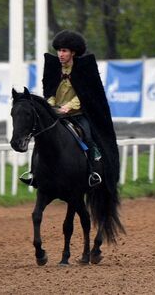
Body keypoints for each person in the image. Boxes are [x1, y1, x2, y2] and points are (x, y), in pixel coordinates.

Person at [21, 29, 116, 189]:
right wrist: (50, 106)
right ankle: (33, 174)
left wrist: (68, 107)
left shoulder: (83, 69)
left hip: (77, 115)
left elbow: (85, 94)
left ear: (73, 52)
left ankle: (93, 173)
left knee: (88, 137)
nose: (60, 54)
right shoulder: (53, 69)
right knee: (41, 139)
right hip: (57, 116)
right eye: (59, 50)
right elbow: (49, 92)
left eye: (64, 51)